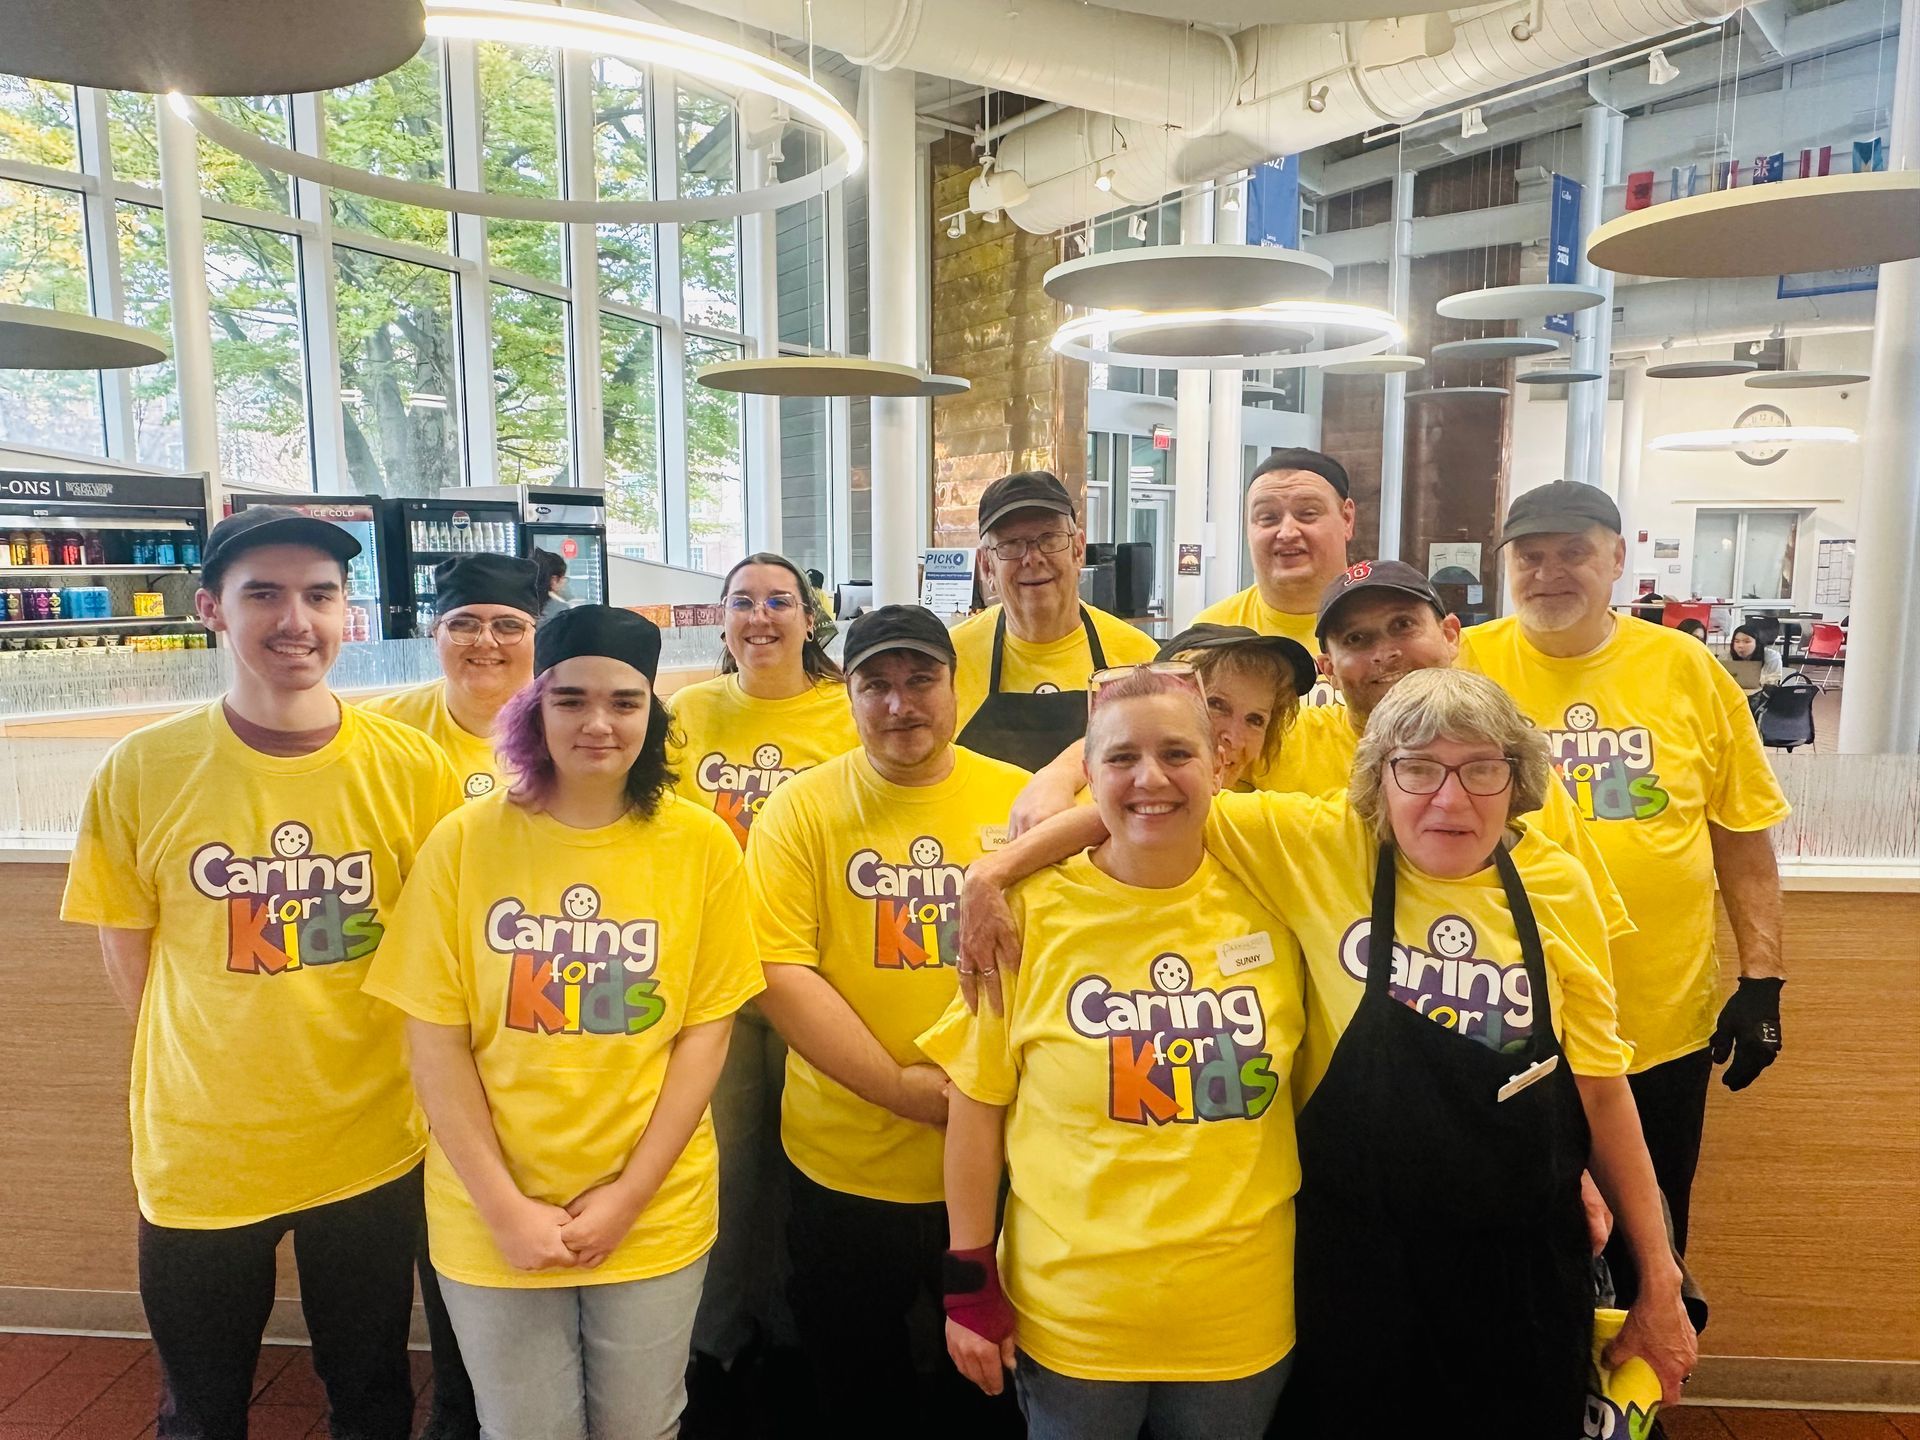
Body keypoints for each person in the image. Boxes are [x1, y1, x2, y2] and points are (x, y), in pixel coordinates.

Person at [960, 669, 1697, 1435]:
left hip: (1519, 1275)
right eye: (1417, 769)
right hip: (1356, 1271)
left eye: (1482, 769)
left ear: (1519, 781)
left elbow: (1603, 1092)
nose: (1449, 799)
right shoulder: (1321, 843)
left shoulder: (1559, 887)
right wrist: (996, 869)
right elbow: (1153, 800)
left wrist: (1661, 1281)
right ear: (1377, 781)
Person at [62, 506, 464, 1440]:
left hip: (371, 1141)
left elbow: (436, 956)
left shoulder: (413, 769)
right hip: (203, 1149)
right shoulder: (141, 769)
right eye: (265, 595)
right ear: (211, 609)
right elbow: (133, 955)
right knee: (199, 1411)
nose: (297, 620)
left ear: (347, 614)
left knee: (369, 1396)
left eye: (320, 595)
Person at [364, 606, 764, 1440]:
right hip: (490, 1210)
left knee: (641, 1427)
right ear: (533, 709)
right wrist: (503, 1206)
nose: (597, 723)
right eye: (571, 699)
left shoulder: (701, 847)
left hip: (655, 1207)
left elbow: (704, 1036)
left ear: (652, 715)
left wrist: (627, 1197)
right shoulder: (465, 843)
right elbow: (433, 1040)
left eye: (623, 702)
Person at [923, 666, 1307, 1439]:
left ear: (1219, 766)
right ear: (1088, 777)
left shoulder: (1280, 897)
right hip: (1074, 1319)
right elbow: (976, 1104)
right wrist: (968, 1285)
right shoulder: (1024, 914)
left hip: (1239, 1315)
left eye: (1177, 754)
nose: (1150, 778)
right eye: (1122, 759)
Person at [1457, 481, 1791, 1303]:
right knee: (1508, 1243)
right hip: (1502, 1019)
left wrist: (1762, 979)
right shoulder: (1469, 663)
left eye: (1573, 552)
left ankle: (1632, 1415)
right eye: (1530, 556)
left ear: (1617, 558)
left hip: (1654, 1023)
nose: (1549, 573)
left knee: (1649, 1245)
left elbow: (1742, 837)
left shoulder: (1686, 670)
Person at [747, 604, 1032, 1433]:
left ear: (957, 685)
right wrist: (906, 1090)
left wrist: (975, 1101)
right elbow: (778, 970)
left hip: (1000, 1163)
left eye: (920, 681)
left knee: (988, 1388)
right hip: (844, 1164)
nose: (900, 704)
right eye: (876, 684)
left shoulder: (1018, 804)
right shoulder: (799, 810)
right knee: (856, 1377)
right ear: (848, 696)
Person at [668, 552, 860, 1420]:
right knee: (725, 1165)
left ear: (809, 617)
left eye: (779, 601)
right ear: (722, 620)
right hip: (715, 981)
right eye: (743, 602)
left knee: (808, 1164)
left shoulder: (844, 712)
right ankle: (715, 1343)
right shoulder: (690, 714)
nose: (761, 617)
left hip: (818, 972)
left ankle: (793, 1334)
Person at [950, 469, 1158, 770]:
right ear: (987, 567)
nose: (1032, 558)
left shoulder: (1140, 660)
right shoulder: (950, 660)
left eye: (1049, 539)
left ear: (1077, 550)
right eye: (1010, 545)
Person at [363, 552, 542, 802]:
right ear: (436, 636)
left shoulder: (566, 726)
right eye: (464, 624)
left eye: (509, 625)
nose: (485, 641)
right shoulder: (378, 727)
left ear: (537, 638)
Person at [1191, 447, 1356, 653]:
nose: (1287, 533)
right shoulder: (1210, 637)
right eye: (1268, 517)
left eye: (1308, 513)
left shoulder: (1392, 628)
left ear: (1347, 519)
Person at [1728, 624, 1786, 691]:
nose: (1740, 645)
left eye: (1747, 642)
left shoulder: (1772, 657)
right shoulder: (1727, 657)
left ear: (1757, 643)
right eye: (1737, 641)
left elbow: (1773, 684)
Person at [533, 548, 571, 624]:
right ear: (554, 580)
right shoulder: (560, 611)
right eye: (563, 578)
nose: (564, 583)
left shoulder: (522, 602)